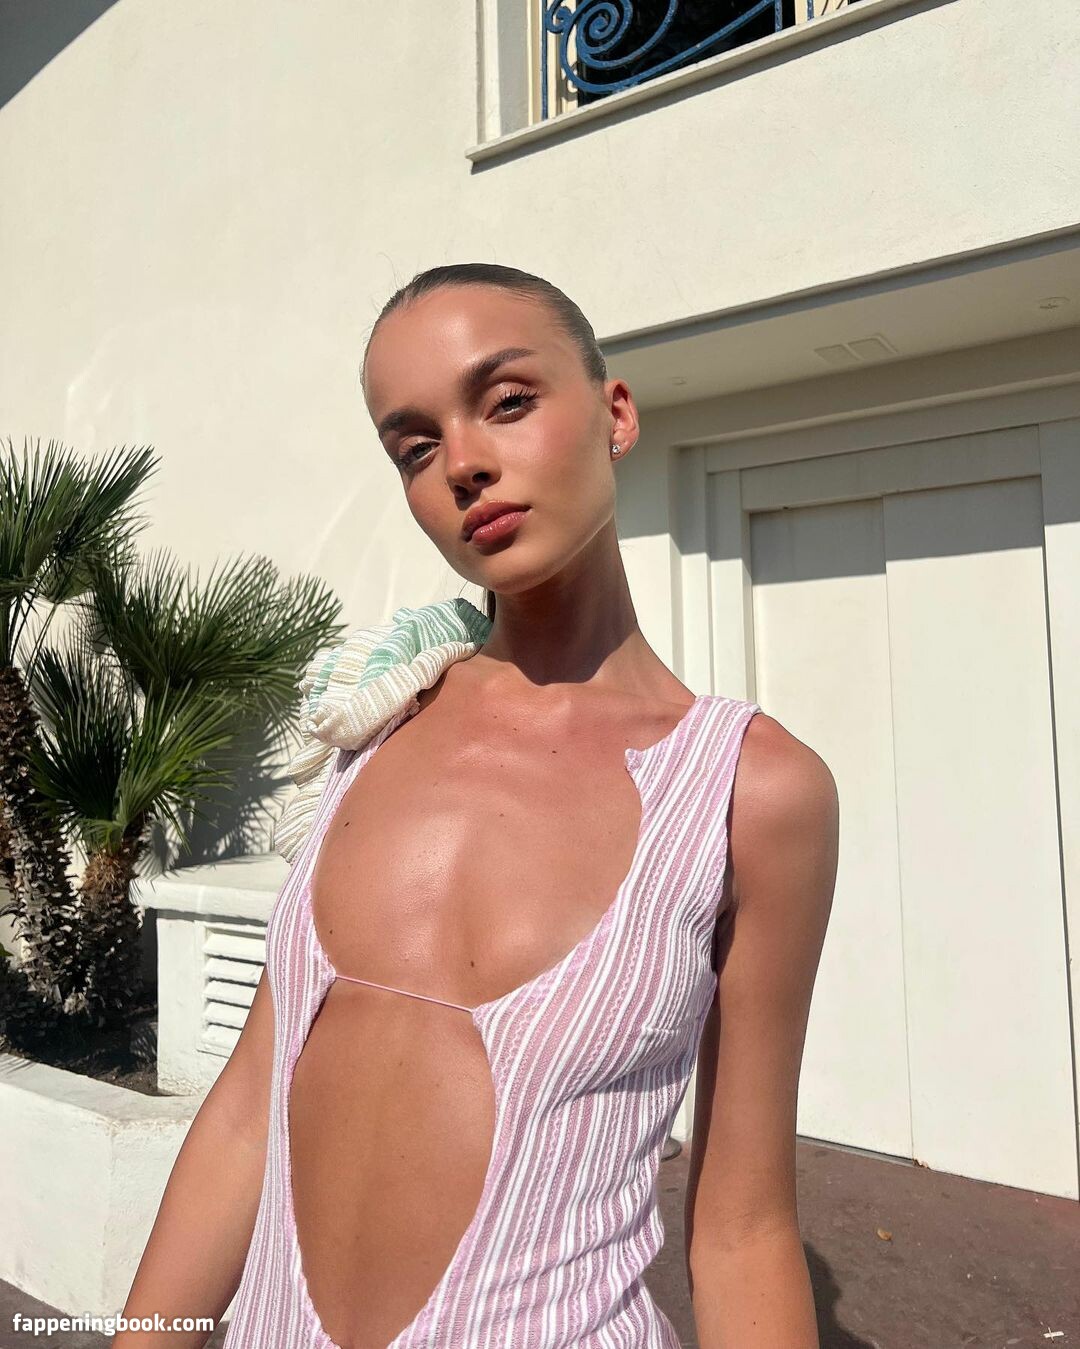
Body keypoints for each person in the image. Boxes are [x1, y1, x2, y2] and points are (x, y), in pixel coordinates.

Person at [114, 263, 838, 1348]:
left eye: (507, 400)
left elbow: (742, 1229)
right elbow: (247, 1110)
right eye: (414, 446)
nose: (462, 463)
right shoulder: (377, 722)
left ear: (616, 413)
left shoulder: (749, 791)